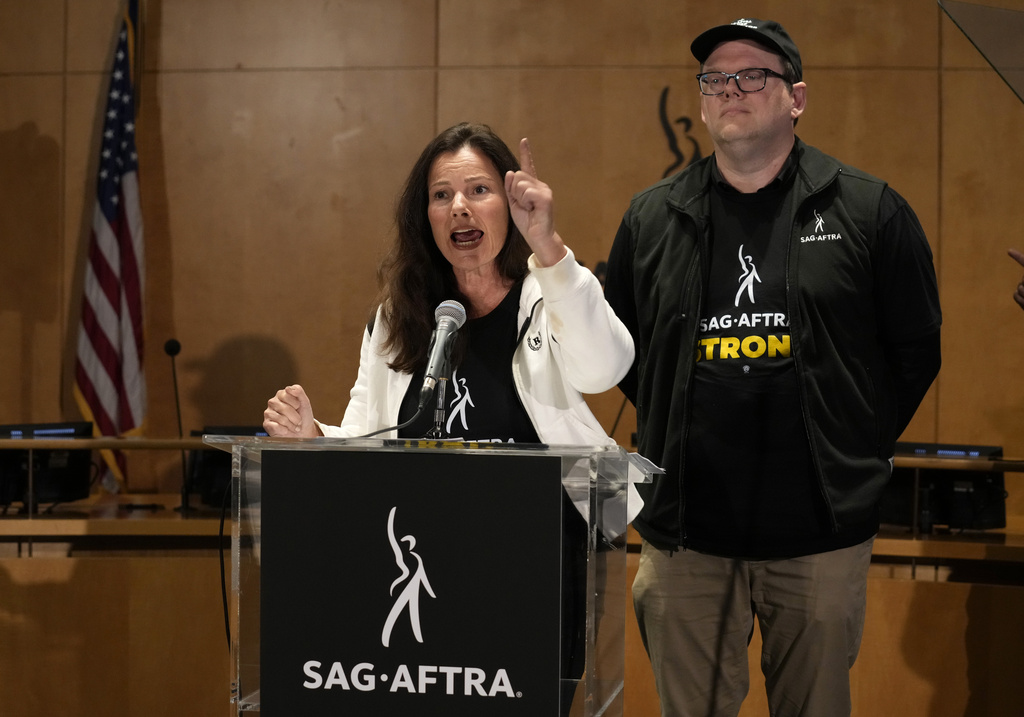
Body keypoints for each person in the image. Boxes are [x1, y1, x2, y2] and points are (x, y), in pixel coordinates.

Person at [602, 19, 942, 717]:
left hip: (817, 534)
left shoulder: (868, 210)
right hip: (687, 537)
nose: (733, 89)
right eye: (716, 78)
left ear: (797, 98)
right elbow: (625, 354)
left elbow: (915, 351)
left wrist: (853, 439)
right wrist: (672, 423)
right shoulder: (652, 218)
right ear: (702, 101)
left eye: (754, 74)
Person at [263, 122, 635, 713]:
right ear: (426, 217)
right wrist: (313, 436)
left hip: (535, 566)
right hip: (430, 564)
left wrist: (550, 248)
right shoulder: (400, 316)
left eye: (479, 190)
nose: (459, 207)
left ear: (511, 206)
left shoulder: (549, 293)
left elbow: (607, 367)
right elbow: (369, 437)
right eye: (441, 196)